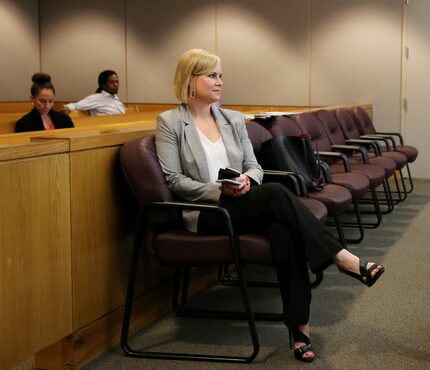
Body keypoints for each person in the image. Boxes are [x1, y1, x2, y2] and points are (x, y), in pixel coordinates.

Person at [154, 49, 385, 363]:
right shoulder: (170, 122)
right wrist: (218, 190)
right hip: (208, 213)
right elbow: (174, 180)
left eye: (221, 75)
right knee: (277, 194)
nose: (220, 82)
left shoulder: (233, 119)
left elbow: (254, 166)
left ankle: (299, 328)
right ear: (190, 79)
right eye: (212, 75)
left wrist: (247, 180)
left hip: (244, 202)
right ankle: (341, 257)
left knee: (284, 230)